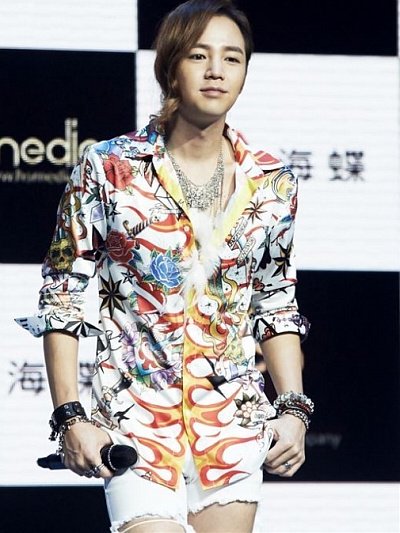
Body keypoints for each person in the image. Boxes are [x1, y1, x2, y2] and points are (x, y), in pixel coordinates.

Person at [16, 1, 313, 531]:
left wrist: (293, 410)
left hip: (232, 425)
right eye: (199, 55)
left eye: (233, 58)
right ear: (170, 66)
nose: (217, 71)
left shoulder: (273, 181)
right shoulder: (109, 168)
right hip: (135, 425)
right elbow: (62, 293)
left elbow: (275, 299)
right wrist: (69, 415)